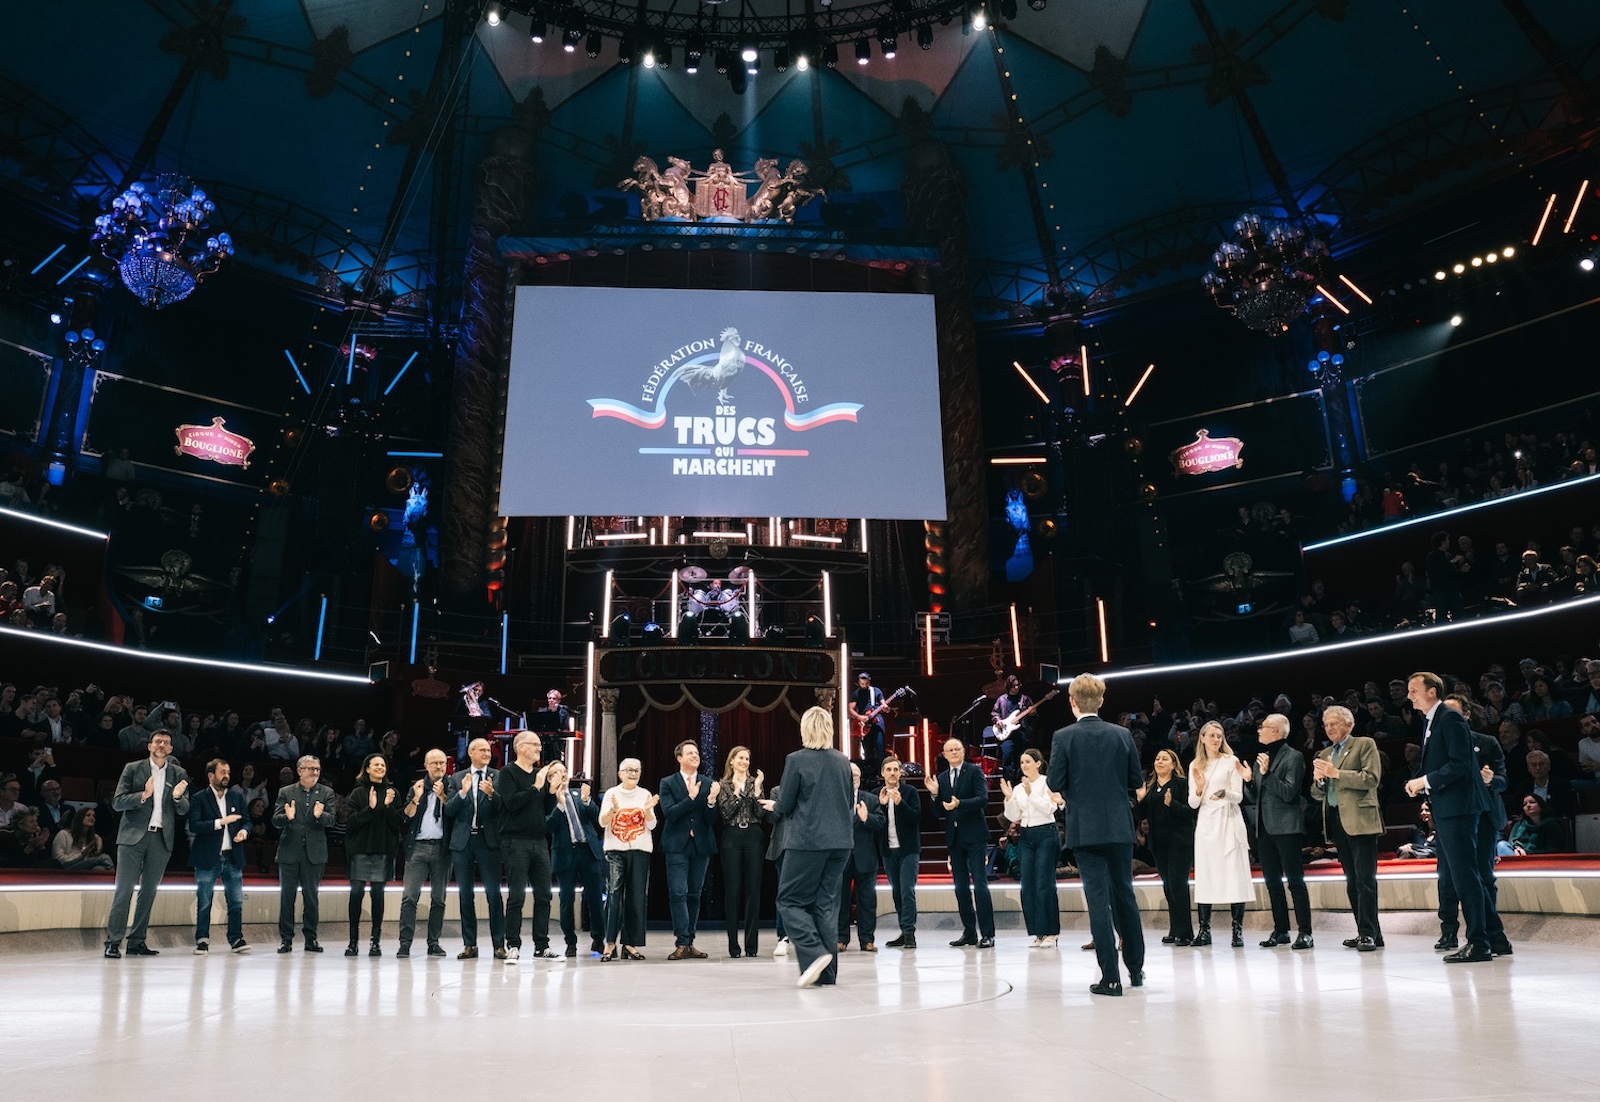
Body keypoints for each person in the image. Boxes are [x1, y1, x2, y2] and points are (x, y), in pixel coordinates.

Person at [1046, 673, 1145, 996]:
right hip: (1119, 826)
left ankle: (1110, 978)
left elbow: (1053, 782)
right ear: (1101, 701)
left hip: (1085, 828)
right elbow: (1134, 778)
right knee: (1124, 897)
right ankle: (1136, 968)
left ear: (1072, 702)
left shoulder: (1063, 736)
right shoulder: (1121, 735)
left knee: (1098, 901)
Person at [1403, 672, 1496, 963]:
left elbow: (1460, 764)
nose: (1409, 696)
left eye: (1414, 690)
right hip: (1449, 808)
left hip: (1459, 808)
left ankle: (1479, 942)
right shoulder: (1433, 720)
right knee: (1461, 876)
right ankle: (1483, 940)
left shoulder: (1450, 718)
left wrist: (1424, 781)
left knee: (1466, 877)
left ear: (1432, 692)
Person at [776, 706, 856, 988]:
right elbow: (848, 802)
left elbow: (785, 804)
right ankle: (827, 974)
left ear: (805, 729)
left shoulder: (796, 760)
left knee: (789, 901)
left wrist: (773, 806)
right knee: (824, 906)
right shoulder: (842, 761)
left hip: (808, 842)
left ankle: (813, 954)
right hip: (841, 843)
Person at [103, 731, 191, 957]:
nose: (162, 745)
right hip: (133, 837)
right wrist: (143, 795)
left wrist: (178, 798)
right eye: (158, 742)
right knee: (124, 891)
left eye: (166, 743)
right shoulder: (133, 768)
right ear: (149, 746)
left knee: (149, 892)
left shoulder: (179, 773)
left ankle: (136, 941)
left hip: (161, 838)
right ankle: (113, 941)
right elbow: (117, 802)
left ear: (171, 749)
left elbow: (184, 810)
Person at [1437, 695, 1512, 955]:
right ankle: (1490, 937)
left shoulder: (1487, 743)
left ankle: (1490, 938)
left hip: (1484, 818)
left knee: (1482, 877)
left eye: (1453, 713)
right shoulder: (1441, 745)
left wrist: (1492, 780)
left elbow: (1504, 780)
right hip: (1456, 818)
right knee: (1457, 879)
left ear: (1467, 715)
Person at [1315, 705, 1385, 952]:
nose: (1329, 728)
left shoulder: (1364, 744)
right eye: (1326, 725)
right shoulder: (1324, 754)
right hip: (1336, 820)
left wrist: (1336, 773)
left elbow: (1371, 778)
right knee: (1352, 880)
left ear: (1348, 724)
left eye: (1334, 723)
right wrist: (1320, 780)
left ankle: (1368, 933)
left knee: (1365, 879)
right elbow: (1316, 793)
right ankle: (1367, 932)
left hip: (1361, 819)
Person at [924, 737, 995, 949]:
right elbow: (937, 812)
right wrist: (935, 794)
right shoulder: (943, 777)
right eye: (949, 750)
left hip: (975, 836)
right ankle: (969, 932)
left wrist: (960, 803)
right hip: (954, 839)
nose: (954, 752)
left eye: (957, 749)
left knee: (980, 885)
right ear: (944, 755)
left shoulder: (974, 772)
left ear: (963, 751)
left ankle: (988, 934)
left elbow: (983, 799)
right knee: (960, 887)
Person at [1250, 713, 1313, 950]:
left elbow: (1288, 793)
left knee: (1295, 881)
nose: (1259, 731)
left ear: (1276, 731)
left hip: (1287, 827)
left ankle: (1305, 931)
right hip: (1265, 828)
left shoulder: (1293, 757)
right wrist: (1248, 780)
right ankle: (1281, 930)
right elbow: (1256, 795)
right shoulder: (1262, 758)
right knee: (1272, 882)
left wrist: (1267, 775)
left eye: (1263, 727)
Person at [1186, 720, 1251, 949]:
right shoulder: (1196, 764)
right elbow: (1193, 803)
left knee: (1234, 874)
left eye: (1219, 735)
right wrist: (1201, 788)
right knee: (1206, 875)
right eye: (1211, 735)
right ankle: (1204, 931)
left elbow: (1238, 796)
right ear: (1202, 738)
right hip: (1206, 824)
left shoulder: (1230, 761)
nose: (1216, 739)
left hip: (1228, 820)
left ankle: (1237, 930)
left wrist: (1224, 794)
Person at [497, 730, 556, 963]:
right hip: (515, 841)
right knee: (517, 896)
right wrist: (536, 786)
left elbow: (545, 808)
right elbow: (511, 803)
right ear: (521, 747)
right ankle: (513, 944)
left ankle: (542, 945)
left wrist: (551, 790)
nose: (539, 749)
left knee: (544, 895)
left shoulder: (539, 775)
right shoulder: (507, 773)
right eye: (535, 745)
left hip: (539, 841)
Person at [445, 737, 505, 960]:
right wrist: (462, 793)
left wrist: (492, 794)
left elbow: (504, 807)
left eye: (488, 750)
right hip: (463, 842)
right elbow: (449, 810)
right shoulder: (458, 778)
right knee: (465, 894)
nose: (486, 753)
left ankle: (499, 944)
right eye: (481, 750)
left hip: (488, 841)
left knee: (493, 893)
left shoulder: (498, 777)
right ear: (470, 753)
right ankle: (470, 944)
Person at [658, 740, 719, 959]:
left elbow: (711, 820)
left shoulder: (707, 782)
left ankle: (690, 941)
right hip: (676, 845)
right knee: (678, 892)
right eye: (690, 753)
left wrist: (711, 801)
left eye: (696, 753)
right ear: (679, 758)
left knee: (694, 894)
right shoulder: (667, 783)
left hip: (700, 845)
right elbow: (671, 813)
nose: (695, 755)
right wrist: (691, 797)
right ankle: (681, 942)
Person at [273, 755, 336, 953]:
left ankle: (311, 939)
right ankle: (286, 939)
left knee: (311, 897)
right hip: (289, 851)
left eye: (317, 769)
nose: (315, 772)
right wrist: (288, 817)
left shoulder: (327, 793)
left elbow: (332, 820)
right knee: (287, 897)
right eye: (311, 769)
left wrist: (320, 816)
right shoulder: (286, 791)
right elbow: (276, 819)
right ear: (300, 771)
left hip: (314, 853)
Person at [1002, 747, 1064, 947]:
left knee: (1044, 883)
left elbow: (1049, 808)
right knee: (1027, 883)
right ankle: (1038, 931)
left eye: (1028, 761)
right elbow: (1013, 816)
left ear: (1038, 763)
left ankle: (1051, 932)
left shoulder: (1047, 782)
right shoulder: (1020, 787)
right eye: (1021, 762)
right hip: (1027, 835)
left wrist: (1031, 794)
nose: (1024, 766)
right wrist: (1010, 798)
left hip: (1046, 832)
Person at [188, 758, 250, 954]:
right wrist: (221, 822)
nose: (226, 776)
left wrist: (244, 832)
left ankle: (236, 939)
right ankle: (203, 939)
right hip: (208, 857)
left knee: (236, 901)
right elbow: (194, 825)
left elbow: (247, 821)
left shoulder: (237, 797)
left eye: (228, 772)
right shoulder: (199, 798)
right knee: (205, 900)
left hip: (232, 856)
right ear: (211, 775)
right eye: (222, 772)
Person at [598, 757, 657, 961]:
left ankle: (630, 944)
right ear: (620, 773)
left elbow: (651, 825)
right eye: (629, 770)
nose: (634, 773)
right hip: (616, 850)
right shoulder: (612, 794)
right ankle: (610, 943)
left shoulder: (645, 794)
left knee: (636, 897)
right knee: (614, 895)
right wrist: (613, 811)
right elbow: (602, 821)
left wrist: (648, 810)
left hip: (640, 851)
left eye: (637, 770)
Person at [545, 762, 606, 957]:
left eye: (564, 771)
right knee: (566, 899)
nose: (563, 775)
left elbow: (598, 820)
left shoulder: (578, 793)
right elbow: (547, 827)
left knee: (596, 897)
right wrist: (560, 806)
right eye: (557, 773)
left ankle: (598, 939)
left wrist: (588, 801)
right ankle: (570, 941)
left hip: (588, 851)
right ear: (549, 778)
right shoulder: (546, 799)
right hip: (565, 853)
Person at [344, 753, 402, 957]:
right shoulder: (358, 793)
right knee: (356, 893)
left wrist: (386, 806)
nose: (380, 767)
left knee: (378, 895)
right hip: (360, 850)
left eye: (382, 764)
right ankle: (353, 942)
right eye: (375, 764)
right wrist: (369, 808)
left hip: (383, 850)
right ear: (367, 768)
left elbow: (398, 823)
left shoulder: (392, 793)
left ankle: (375, 942)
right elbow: (350, 823)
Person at [1136, 748, 1195, 946]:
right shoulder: (1151, 788)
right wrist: (1141, 800)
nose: (1159, 761)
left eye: (1164, 758)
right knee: (1168, 887)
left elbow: (1191, 812)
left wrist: (1173, 805)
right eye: (1157, 758)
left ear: (1173, 764)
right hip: (1158, 844)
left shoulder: (1181, 784)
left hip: (1179, 843)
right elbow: (1139, 815)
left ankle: (1185, 932)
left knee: (1178, 886)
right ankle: (1174, 929)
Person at [397, 748, 451, 958]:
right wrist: (417, 798)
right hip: (417, 847)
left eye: (442, 763)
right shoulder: (416, 787)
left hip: (441, 848)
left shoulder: (452, 786)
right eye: (435, 763)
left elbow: (454, 811)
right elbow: (406, 815)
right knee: (410, 897)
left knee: (439, 898)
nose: (439, 767)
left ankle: (434, 942)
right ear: (426, 765)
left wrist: (442, 796)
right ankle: (405, 943)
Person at [716, 745, 767, 958]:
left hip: (753, 836)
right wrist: (737, 793)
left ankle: (752, 946)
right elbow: (726, 813)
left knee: (753, 890)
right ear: (731, 761)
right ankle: (733, 945)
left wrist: (756, 791)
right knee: (733, 890)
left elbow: (760, 813)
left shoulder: (756, 783)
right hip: (732, 837)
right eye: (740, 758)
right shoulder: (723, 784)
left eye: (747, 758)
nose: (744, 762)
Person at [838, 762, 885, 952]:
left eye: (856, 775)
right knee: (840, 901)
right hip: (840, 858)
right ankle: (840, 939)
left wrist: (867, 818)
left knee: (867, 901)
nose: (853, 778)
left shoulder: (871, 799)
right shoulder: (835, 798)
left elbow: (881, 822)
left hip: (865, 858)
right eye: (850, 775)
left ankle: (867, 940)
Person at [877, 755, 921, 949]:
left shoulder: (910, 792)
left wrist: (900, 803)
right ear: (883, 773)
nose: (893, 773)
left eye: (896, 770)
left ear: (900, 773)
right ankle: (904, 931)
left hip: (908, 850)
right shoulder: (877, 794)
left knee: (906, 891)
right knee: (896, 892)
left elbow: (916, 818)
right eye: (889, 770)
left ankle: (910, 932)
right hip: (888, 851)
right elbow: (875, 823)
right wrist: (881, 805)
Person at [991, 675, 1034, 783]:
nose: (1016, 688)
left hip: (1022, 733)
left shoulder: (1025, 699)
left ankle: (1022, 783)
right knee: (1007, 758)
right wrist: (998, 721)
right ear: (1009, 686)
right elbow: (994, 713)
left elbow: (1034, 718)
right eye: (1014, 686)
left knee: (1022, 759)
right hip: (1007, 735)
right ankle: (1008, 784)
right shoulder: (1001, 700)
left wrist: (1032, 714)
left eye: (1018, 685)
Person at [1497, 794, 1569, 855]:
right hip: (1518, 855)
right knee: (1502, 845)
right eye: (1524, 804)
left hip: (1542, 858)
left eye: (1532, 802)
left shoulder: (1552, 825)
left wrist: (1527, 853)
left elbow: (1553, 849)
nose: (1528, 805)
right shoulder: (1518, 825)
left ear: (1541, 805)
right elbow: (1512, 841)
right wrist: (1517, 848)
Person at [848, 671, 889, 769]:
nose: (864, 685)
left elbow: (883, 704)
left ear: (869, 681)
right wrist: (859, 717)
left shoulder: (876, 691)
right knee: (867, 748)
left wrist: (885, 708)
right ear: (858, 682)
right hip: (865, 722)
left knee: (880, 745)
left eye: (866, 683)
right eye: (862, 684)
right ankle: (869, 771)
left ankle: (881, 770)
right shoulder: (856, 693)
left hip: (877, 720)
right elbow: (850, 709)